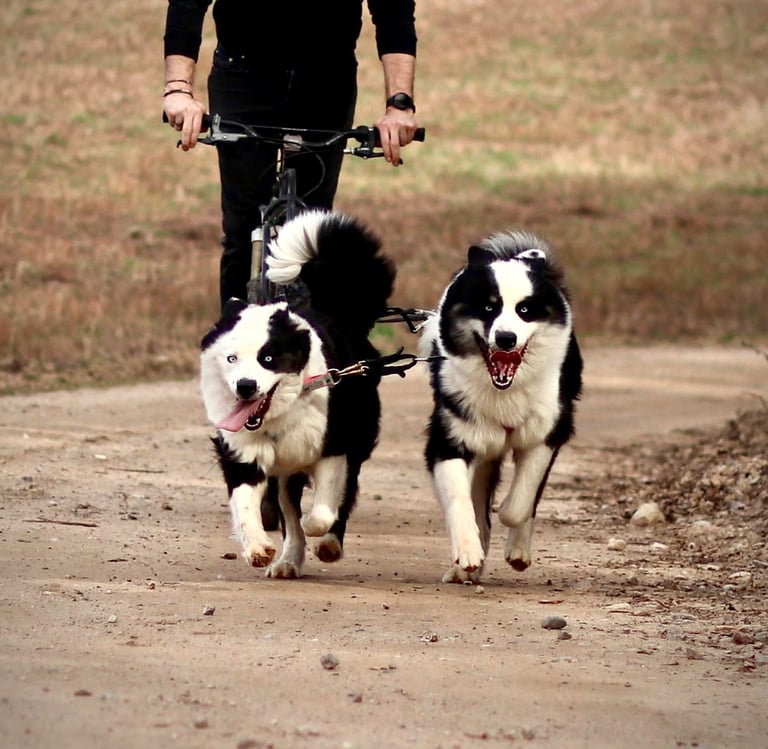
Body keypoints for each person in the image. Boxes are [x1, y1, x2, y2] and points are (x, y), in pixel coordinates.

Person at [162, 1, 419, 308]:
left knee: (313, 231)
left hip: (326, 77)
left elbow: (393, 10)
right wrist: (177, 89)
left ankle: (317, 345)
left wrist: (399, 105)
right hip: (242, 72)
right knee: (244, 230)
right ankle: (231, 341)